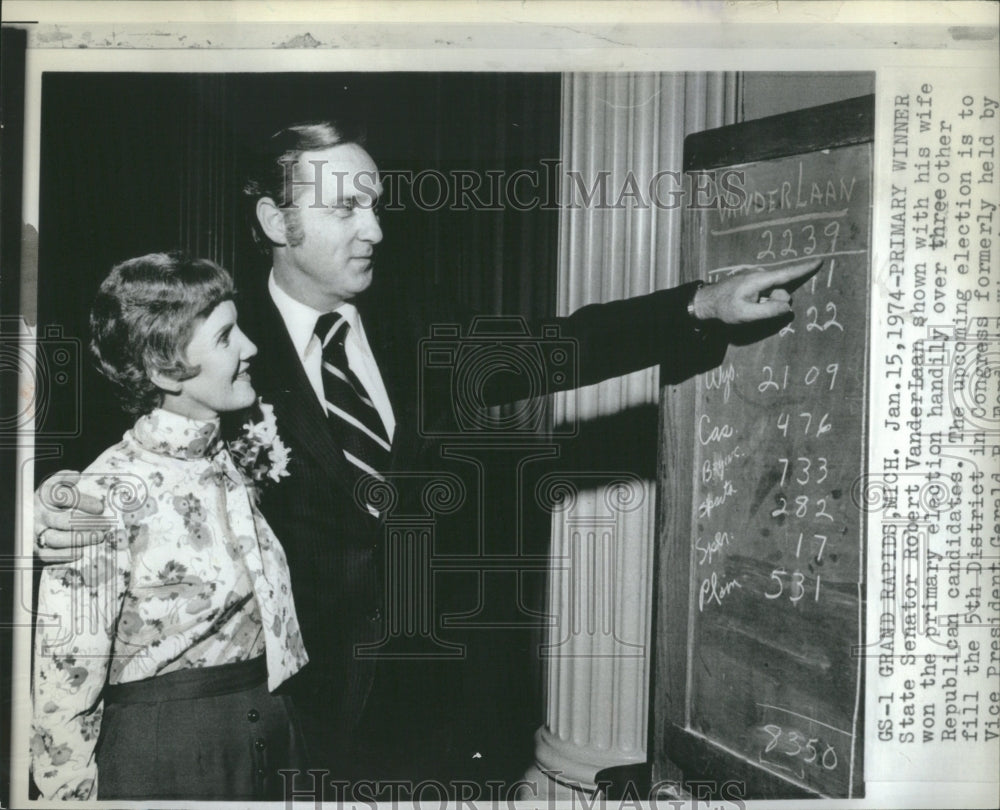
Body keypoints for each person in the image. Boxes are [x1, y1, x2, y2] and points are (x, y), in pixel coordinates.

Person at [34, 120, 819, 792]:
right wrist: (53, 503)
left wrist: (698, 305)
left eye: (374, 203)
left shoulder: (420, 316)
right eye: (344, 207)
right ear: (276, 221)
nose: (373, 228)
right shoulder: (222, 347)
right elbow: (115, 450)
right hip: (300, 723)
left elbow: (559, 344)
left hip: (447, 703)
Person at [31, 253, 309, 800]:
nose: (250, 347)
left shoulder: (231, 449)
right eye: (227, 337)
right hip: (171, 754)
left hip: (270, 727)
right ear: (163, 370)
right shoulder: (101, 496)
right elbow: (64, 687)